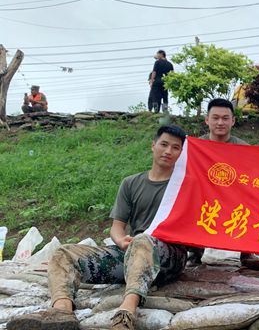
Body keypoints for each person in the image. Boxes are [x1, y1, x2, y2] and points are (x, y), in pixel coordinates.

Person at [7, 125, 189, 330]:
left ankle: (127, 312)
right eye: (164, 144)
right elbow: (117, 227)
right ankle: (62, 311)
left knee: (142, 240)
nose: (168, 151)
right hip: (132, 253)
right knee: (64, 253)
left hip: (169, 257)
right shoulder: (131, 183)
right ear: (153, 145)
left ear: (181, 153)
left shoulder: (186, 186)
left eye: (175, 148)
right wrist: (121, 240)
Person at [187, 97, 259, 270]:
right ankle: (194, 253)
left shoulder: (244, 148)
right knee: (190, 200)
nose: (220, 122)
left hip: (234, 196)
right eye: (215, 118)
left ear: (233, 121)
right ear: (207, 120)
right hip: (205, 196)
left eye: (225, 118)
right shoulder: (196, 146)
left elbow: (253, 179)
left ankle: (247, 252)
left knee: (254, 202)